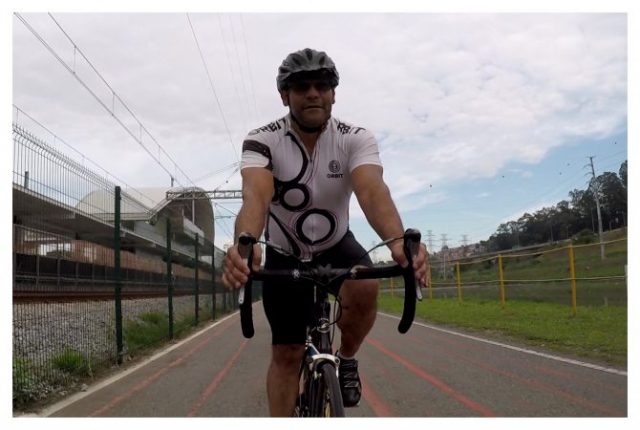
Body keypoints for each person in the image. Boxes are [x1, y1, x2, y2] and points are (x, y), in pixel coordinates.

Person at [221, 47, 428, 417]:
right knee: (286, 354)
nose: (313, 93)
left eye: (322, 85)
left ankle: (346, 359)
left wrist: (398, 242)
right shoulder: (262, 139)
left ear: (333, 94)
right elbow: (256, 196)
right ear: (285, 96)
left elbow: (372, 191)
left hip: (336, 245)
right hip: (285, 253)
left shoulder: (355, 138)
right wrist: (245, 242)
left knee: (365, 283)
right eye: (302, 87)